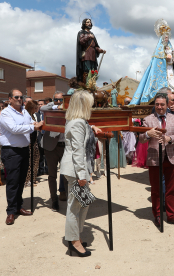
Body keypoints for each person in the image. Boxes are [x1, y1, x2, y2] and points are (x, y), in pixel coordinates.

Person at [60, 90, 101, 257]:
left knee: (83, 204)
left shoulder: (78, 121)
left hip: (75, 169)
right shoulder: (77, 123)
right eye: (90, 104)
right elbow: (78, 151)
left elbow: (83, 132)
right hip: (75, 170)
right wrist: (82, 175)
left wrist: (92, 128)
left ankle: (75, 236)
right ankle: (73, 241)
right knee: (75, 206)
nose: (93, 106)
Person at [138, 93, 174, 228]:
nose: (159, 107)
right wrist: (148, 134)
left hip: (172, 158)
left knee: (171, 190)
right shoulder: (148, 119)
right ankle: (158, 215)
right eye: (157, 104)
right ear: (154, 105)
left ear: (167, 105)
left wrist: (169, 139)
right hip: (155, 158)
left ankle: (171, 215)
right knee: (156, 189)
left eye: (162, 104)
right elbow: (141, 138)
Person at [0, 88, 43, 225]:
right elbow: (14, 128)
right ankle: (11, 211)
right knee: (12, 181)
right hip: (11, 151)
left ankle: (18, 206)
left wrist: (35, 124)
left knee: (21, 180)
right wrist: (33, 127)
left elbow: (29, 123)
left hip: (24, 150)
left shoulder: (24, 111)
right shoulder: (5, 113)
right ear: (10, 99)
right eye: (16, 97)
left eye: (21, 97)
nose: (19, 99)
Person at [129, 19, 174, 105]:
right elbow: (157, 63)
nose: (166, 39)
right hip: (163, 70)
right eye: (165, 37)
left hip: (170, 69)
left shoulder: (170, 48)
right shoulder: (159, 50)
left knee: (172, 79)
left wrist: (171, 59)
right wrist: (165, 58)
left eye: (167, 37)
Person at [40, 92, 68, 211]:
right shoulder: (50, 107)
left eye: (61, 100)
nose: (58, 102)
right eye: (56, 100)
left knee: (66, 174)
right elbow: (42, 107)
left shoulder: (68, 109)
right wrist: (55, 105)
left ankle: (65, 194)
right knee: (52, 175)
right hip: (51, 147)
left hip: (65, 146)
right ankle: (54, 200)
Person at [76, 18, 106, 83]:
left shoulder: (92, 34)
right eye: (87, 22)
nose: (89, 23)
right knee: (87, 70)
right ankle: (86, 84)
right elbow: (81, 41)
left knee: (93, 71)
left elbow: (95, 46)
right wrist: (88, 36)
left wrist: (101, 50)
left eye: (90, 22)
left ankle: (92, 84)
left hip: (92, 55)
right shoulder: (81, 33)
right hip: (86, 54)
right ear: (84, 24)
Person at [24, 100, 40, 187]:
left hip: (34, 141)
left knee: (35, 160)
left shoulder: (33, 116)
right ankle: (27, 181)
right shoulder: (25, 115)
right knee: (29, 162)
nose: (37, 109)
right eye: (36, 108)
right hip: (28, 142)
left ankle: (33, 179)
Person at [35, 99, 47, 176]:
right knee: (40, 154)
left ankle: (47, 170)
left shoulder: (47, 114)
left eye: (41, 104)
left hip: (47, 136)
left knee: (47, 154)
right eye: (38, 104)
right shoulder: (36, 114)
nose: (40, 106)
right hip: (39, 136)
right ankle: (40, 170)